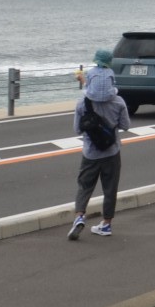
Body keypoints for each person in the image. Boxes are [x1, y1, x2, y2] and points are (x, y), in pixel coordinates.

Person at [67, 49, 130, 239]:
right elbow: (126, 125)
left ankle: (79, 216)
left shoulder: (82, 104)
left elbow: (77, 130)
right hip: (112, 152)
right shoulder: (118, 102)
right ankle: (106, 224)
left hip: (90, 154)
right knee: (110, 189)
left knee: (84, 186)